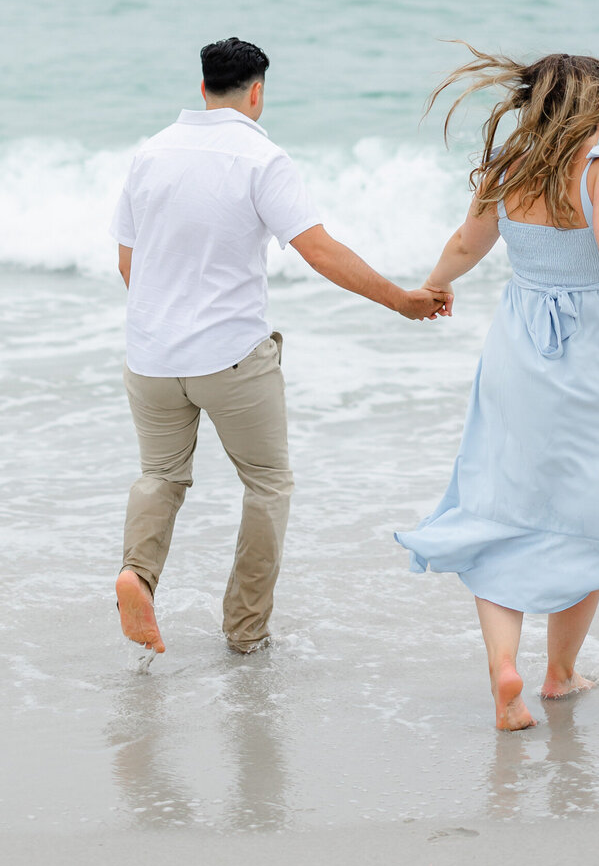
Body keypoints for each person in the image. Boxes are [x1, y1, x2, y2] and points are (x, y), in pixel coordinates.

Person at [111, 37, 448, 658]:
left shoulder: (150, 154)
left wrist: (169, 322)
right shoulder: (261, 159)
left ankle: (138, 573)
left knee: (160, 476)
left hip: (150, 356)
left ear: (204, 87)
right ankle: (245, 629)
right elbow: (318, 251)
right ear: (258, 91)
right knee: (267, 484)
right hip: (231, 356)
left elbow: (130, 263)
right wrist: (402, 299)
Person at [395, 47, 599, 730]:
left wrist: (435, 284)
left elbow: (468, 242)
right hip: (593, 350)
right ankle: (558, 673)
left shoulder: (510, 163)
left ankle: (503, 667)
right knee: (587, 509)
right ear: (591, 105)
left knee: (498, 502)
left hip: (518, 349)